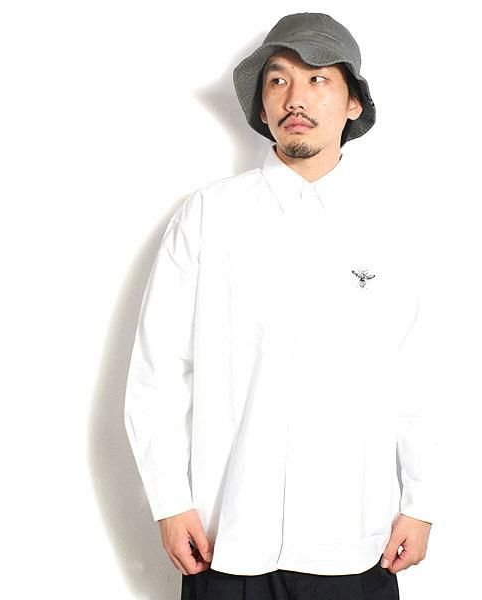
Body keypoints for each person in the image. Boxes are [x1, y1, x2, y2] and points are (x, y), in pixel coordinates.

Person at [123, 12, 438, 600]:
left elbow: (418, 377)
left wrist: (423, 503)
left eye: (318, 79)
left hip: (355, 543)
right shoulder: (208, 216)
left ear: (353, 102)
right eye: (278, 80)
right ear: (262, 105)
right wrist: (169, 501)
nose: (296, 97)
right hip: (225, 540)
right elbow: (157, 371)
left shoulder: (392, 228)